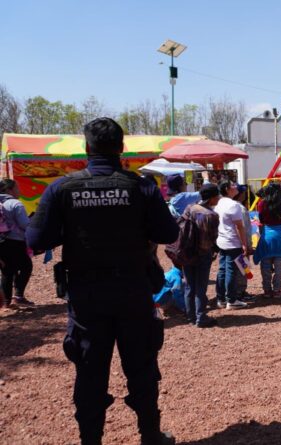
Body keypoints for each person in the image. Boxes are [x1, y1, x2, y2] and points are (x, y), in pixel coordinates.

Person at [26, 117, 179, 445]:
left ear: (86, 148)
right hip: (133, 291)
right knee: (141, 367)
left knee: (90, 371)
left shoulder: (62, 189)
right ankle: (151, 435)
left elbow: (37, 239)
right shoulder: (141, 187)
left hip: (87, 296)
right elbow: (168, 233)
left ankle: (90, 440)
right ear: (122, 148)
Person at [183, 184, 221, 328]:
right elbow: (213, 237)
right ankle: (201, 317)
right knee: (200, 286)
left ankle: (191, 316)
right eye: (217, 196)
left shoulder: (189, 208)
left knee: (189, 285)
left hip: (186, 252)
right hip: (203, 253)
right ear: (211, 198)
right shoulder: (212, 215)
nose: (218, 198)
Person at [214, 180, 250, 310]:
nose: (236, 186)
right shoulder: (233, 205)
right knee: (231, 271)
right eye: (233, 185)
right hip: (232, 242)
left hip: (222, 240)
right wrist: (244, 244)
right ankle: (232, 300)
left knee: (222, 269)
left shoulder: (219, 203)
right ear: (227, 189)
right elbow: (239, 226)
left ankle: (221, 298)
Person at [0, 179, 33, 307]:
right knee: (26, 266)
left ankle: (6, 302)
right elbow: (24, 224)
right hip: (15, 241)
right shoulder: (15, 204)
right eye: (17, 188)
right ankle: (18, 296)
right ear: (9, 190)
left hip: (1, 242)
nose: (19, 191)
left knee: (7, 271)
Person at [256, 183, 281, 297]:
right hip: (280, 235)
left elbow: (261, 220)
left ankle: (267, 290)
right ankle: (277, 290)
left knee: (265, 264)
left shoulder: (262, 204)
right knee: (279, 265)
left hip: (267, 235)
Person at [233, 185, 255, 302]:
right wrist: (247, 244)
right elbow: (244, 228)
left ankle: (236, 292)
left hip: (231, 243)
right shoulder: (241, 208)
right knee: (243, 268)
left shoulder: (229, 206)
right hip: (242, 243)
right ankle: (240, 292)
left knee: (234, 269)